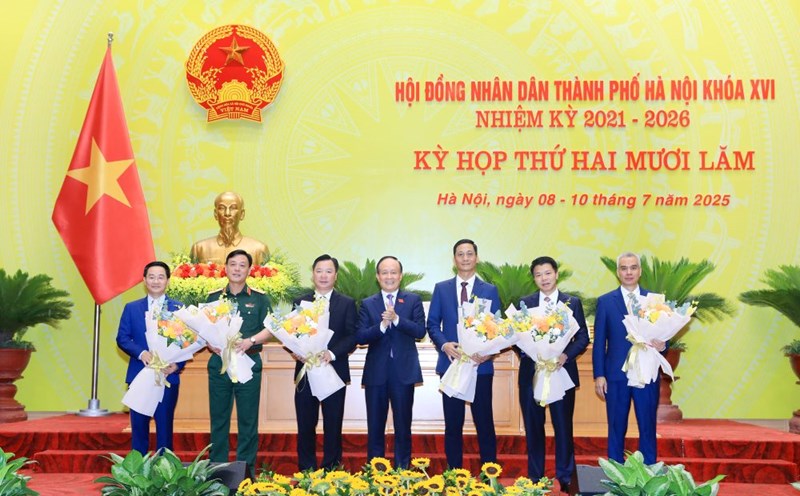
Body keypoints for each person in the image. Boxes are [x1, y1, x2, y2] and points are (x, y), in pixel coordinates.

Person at [426, 239, 500, 469]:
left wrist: (488, 353)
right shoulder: (442, 288)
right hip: (451, 365)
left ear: (476, 258)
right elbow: (432, 324)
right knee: (453, 423)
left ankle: (490, 473)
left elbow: (498, 326)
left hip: (481, 367)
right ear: (454, 259)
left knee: (484, 421)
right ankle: (454, 473)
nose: (465, 258)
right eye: (461, 254)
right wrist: (445, 344)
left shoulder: (490, 289)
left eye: (469, 254)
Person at [518, 256, 589, 493]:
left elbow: (582, 338)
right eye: (538, 275)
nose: (543, 278)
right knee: (533, 426)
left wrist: (564, 356)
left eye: (547, 273)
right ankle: (535, 476)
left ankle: (566, 476)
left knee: (563, 426)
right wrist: (533, 354)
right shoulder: (524, 304)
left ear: (556, 274)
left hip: (561, 372)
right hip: (532, 374)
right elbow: (516, 339)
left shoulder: (572, 303)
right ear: (534, 278)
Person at [593, 251, 666, 464]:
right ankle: (615, 471)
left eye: (633, 267)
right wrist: (599, 375)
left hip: (646, 372)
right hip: (616, 374)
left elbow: (664, 334)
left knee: (647, 424)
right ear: (617, 272)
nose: (628, 272)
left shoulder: (653, 301)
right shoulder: (606, 301)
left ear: (640, 271)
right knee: (616, 426)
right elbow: (600, 342)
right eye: (624, 268)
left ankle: (650, 472)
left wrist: (663, 344)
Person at [206, 249, 272, 477]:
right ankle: (217, 471)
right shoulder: (213, 297)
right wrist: (210, 343)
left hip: (248, 364)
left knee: (248, 421)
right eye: (232, 264)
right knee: (219, 420)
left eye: (242, 265)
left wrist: (250, 340)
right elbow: (202, 327)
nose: (236, 269)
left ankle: (245, 473)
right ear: (225, 267)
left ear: (249, 270)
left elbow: (271, 328)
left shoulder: (259, 298)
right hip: (219, 365)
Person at [356, 256, 426, 469]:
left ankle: (402, 470)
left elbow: (420, 331)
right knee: (375, 426)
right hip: (377, 373)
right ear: (378, 277)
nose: (389, 276)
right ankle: (376, 471)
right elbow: (360, 337)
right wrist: (382, 326)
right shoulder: (368, 304)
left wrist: (396, 319)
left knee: (403, 426)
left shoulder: (412, 300)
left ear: (400, 275)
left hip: (403, 373)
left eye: (393, 272)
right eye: (384, 272)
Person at [291, 254, 357, 470]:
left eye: (328, 271)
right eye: (319, 270)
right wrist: (296, 351)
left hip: (333, 371)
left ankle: (331, 469)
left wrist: (332, 353)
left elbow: (352, 335)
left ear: (335, 275)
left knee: (333, 424)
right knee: (305, 424)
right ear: (313, 274)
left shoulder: (346, 303)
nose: (323, 275)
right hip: (306, 371)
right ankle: (306, 470)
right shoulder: (300, 302)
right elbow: (292, 333)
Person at [116, 261, 185, 454]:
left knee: (164, 430)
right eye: (152, 277)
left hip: (167, 376)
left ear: (168, 281)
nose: (156, 281)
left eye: (161, 277)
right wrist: (141, 353)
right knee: (139, 431)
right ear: (144, 281)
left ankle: (164, 475)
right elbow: (122, 338)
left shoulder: (179, 308)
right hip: (139, 375)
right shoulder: (132, 308)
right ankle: (138, 476)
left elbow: (187, 342)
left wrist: (177, 364)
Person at [191, 191, 269, 265]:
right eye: (222, 208)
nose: (227, 213)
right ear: (215, 214)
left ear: (242, 214)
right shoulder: (199, 249)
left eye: (233, 208)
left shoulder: (259, 249)